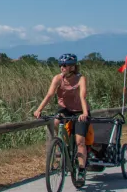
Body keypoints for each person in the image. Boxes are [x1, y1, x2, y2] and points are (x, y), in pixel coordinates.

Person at [33, 53, 90, 181]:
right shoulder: (58, 78)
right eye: (61, 65)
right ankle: (60, 144)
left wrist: (85, 113)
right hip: (66, 109)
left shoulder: (80, 79)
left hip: (80, 110)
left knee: (80, 141)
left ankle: (81, 169)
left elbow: (82, 97)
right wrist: (39, 109)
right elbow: (49, 95)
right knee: (56, 120)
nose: (62, 68)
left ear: (72, 67)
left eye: (65, 65)